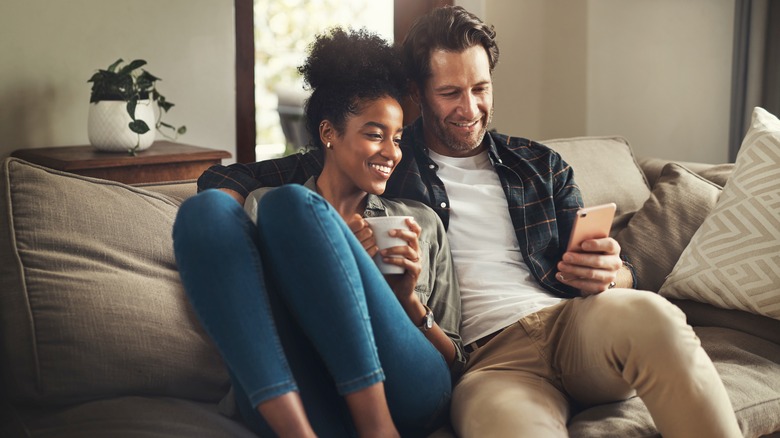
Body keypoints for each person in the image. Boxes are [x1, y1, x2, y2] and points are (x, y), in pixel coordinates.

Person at [198, 6, 742, 437]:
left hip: (573, 325)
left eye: (480, 89)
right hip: (486, 365)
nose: (470, 108)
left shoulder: (539, 165)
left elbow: (615, 270)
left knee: (655, 317)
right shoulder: (382, 157)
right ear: (417, 96)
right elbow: (223, 183)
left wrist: (612, 273)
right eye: (451, 93)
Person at [173, 27, 464, 438]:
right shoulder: (262, 206)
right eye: (374, 134)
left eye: (397, 139)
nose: (392, 152)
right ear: (329, 133)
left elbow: (456, 361)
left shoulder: (421, 221)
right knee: (205, 211)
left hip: (408, 388)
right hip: (308, 392)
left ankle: (378, 429)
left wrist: (405, 300)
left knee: (291, 205)